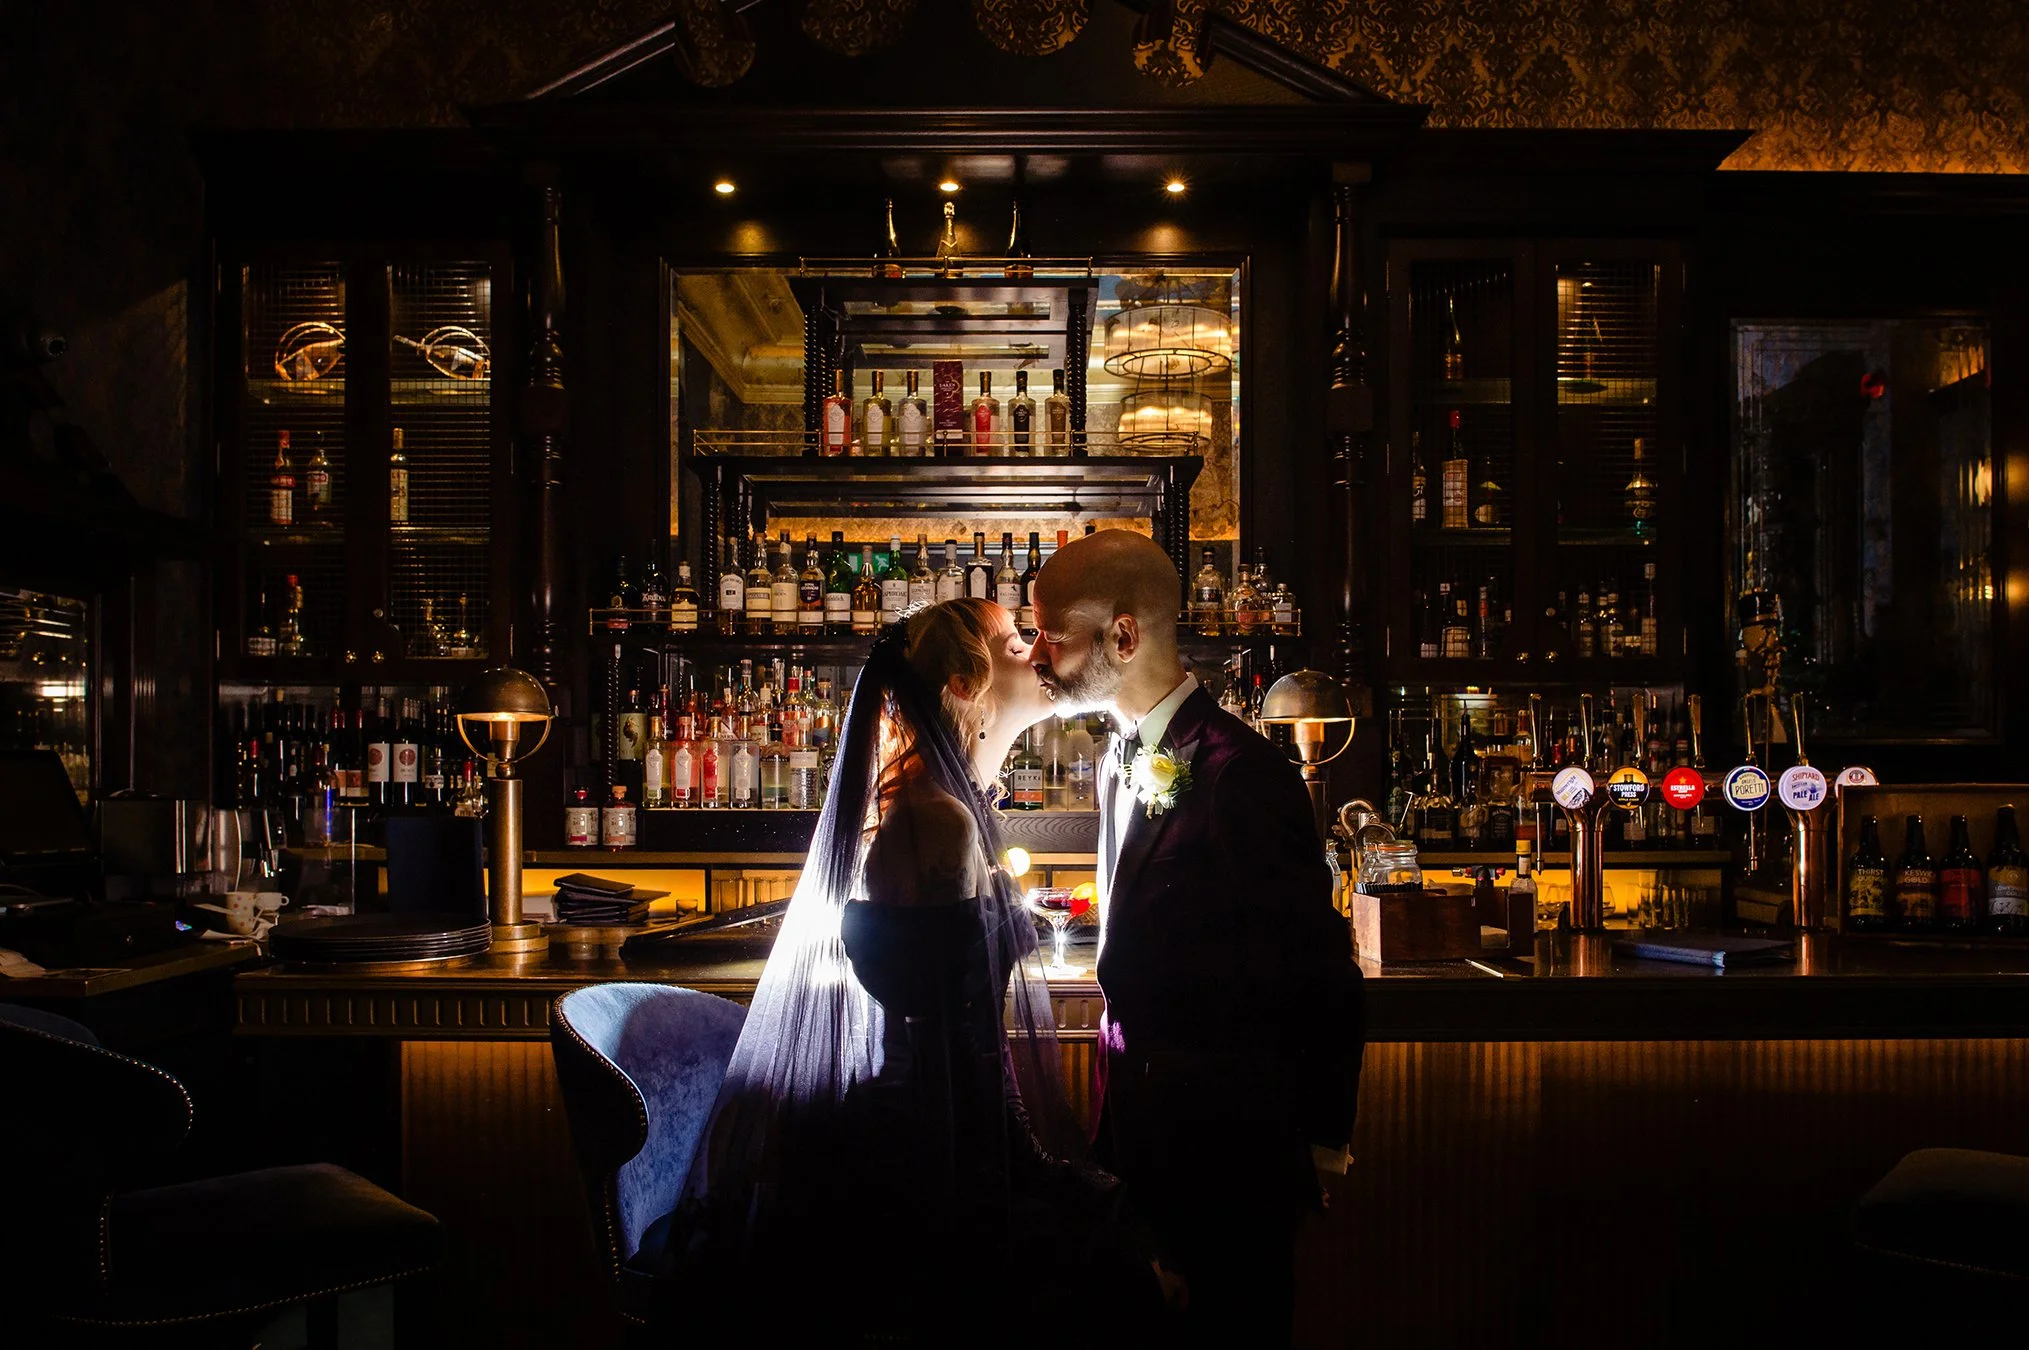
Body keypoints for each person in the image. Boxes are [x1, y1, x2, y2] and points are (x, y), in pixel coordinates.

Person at [660, 597, 1164, 1343]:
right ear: (965, 685)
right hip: (930, 1155)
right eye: (1017, 640)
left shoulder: (947, 805)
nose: (1039, 649)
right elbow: (948, 1046)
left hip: (936, 1126)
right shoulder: (933, 820)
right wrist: (1039, 1172)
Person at [1030, 529, 1365, 1348]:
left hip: (1229, 1157)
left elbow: (1321, 972)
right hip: (1138, 1137)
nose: (1038, 654)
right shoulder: (1119, 759)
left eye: (1051, 635)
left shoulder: (1241, 774)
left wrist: (1320, 1141)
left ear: (1121, 634)